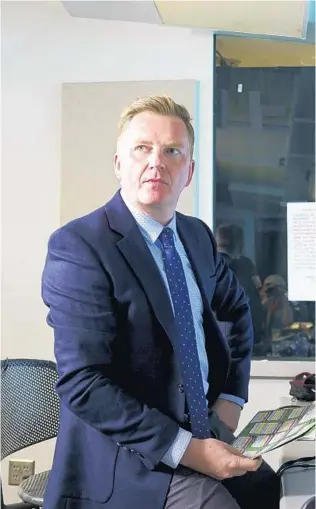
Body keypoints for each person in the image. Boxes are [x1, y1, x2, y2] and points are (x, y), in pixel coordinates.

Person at [42, 95, 280, 509]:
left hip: (203, 429)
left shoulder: (197, 237)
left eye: (173, 151)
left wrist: (230, 400)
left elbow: (237, 311)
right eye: (142, 148)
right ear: (119, 163)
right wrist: (188, 450)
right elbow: (84, 384)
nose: (157, 162)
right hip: (127, 455)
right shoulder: (80, 246)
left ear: (188, 171)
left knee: (263, 485)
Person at [215, 224, 264, 347]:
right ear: (240, 244)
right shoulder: (245, 265)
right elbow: (259, 290)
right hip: (242, 334)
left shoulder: (205, 265)